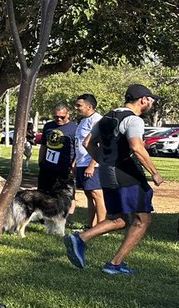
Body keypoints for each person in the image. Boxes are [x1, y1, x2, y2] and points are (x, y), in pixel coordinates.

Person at [64, 84, 165, 275]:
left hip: (106, 172)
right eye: (151, 100)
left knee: (119, 219)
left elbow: (88, 143)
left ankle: (81, 239)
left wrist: (103, 161)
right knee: (142, 219)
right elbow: (136, 147)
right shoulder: (133, 120)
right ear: (143, 100)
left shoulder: (107, 117)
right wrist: (155, 173)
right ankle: (113, 264)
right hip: (126, 172)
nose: (152, 104)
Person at [73, 94, 106, 229]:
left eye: (79, 106)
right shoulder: (83, 121)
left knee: (97, 194)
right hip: (82, 163)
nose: (77, 108)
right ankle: (91, 226)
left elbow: (101, 145)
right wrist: (75, 161)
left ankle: (102, 227)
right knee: (89, 194)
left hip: (93, 164)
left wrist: (92, 164)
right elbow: (79, 143)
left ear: (89, 106)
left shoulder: (97, 120)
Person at [38, 103, 78, 194]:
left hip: (64, 169)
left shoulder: (75, 129)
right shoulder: (48, 126)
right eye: (56, 117)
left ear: (68, 114)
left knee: (63, 196)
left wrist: (74, 165)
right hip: (47, 168)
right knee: (42, 194)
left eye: (62, 117)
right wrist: (40, 161)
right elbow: (43, 145)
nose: (59, 119)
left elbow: (78, 150)